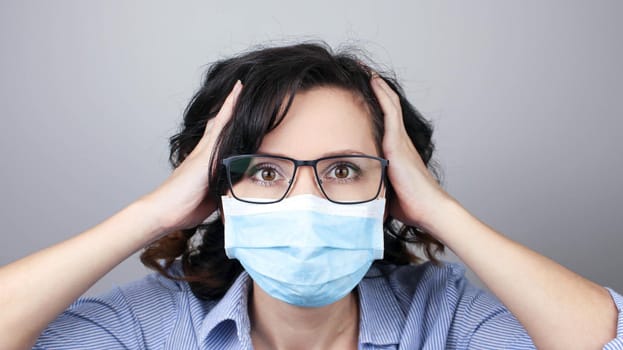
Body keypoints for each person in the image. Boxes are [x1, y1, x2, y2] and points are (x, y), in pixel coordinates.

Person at [1, 42, 622, 350]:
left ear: (392, 188)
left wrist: (440, 211)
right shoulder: (153, 326)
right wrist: (153, 213)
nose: (306, 201)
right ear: (221, 186)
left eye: (344, 170)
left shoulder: (443, 320)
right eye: (267, 171)